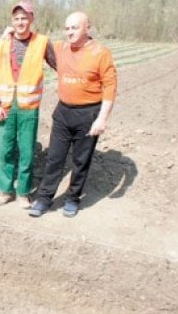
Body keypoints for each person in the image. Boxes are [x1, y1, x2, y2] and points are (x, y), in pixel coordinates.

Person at [29, 11, 117, 218]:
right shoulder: (60, 49)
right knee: (54, 158)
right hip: (63, 112)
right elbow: (36, 44)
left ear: (88, 27)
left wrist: (102, 118)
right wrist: (10, 33)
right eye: (67, 28)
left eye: (75, 27)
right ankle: (44, 199)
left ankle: (72, 198)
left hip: (88, 114)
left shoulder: (100, 53)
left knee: (80, 160)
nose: (70, 32)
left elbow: (110, 86)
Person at [0, 1, 56, 209]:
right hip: (6, 106)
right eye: (17, 18)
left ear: (31, 19)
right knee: (6, 150)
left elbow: (60, 65)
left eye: (24, 18)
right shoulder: (1, 45)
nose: (20, 22)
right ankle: (5, 189)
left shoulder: (42, 42)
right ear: (12, 21)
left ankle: (23, 192)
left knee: (26, 151)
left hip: (29, 108)